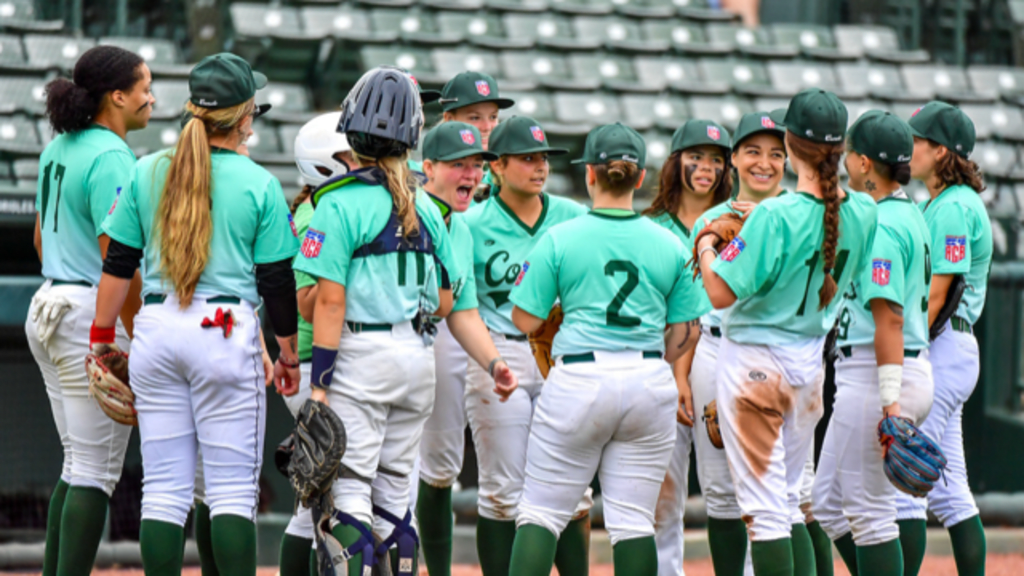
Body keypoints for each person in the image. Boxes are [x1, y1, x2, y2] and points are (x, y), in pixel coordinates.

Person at [94, 52, 300, 576]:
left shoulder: (147, 167)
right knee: (230, 492)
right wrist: (288, 353)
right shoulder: (258, 182)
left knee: (163, 492)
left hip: (157, 329)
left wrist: (100, 337)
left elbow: (118, 264)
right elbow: (276, 282)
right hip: (225, 330)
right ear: (245, 115)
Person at [505, 123, 708, 576]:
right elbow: (687, 333)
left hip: (579, 375)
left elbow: (524, 320)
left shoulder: (561, 237)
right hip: (648, 377)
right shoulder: (669, 242)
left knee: (540, 512)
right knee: (633, 522)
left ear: (589, 176)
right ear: (640, 179)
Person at [695, 88, 878, 576]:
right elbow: (826, 238)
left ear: (791, 147)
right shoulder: (863, 211)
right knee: (790, 500)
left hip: (754, 363)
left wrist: (707, 241)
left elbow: (717, 292)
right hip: (809, 366)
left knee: (767, 511)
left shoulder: (775, 215)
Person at [294, 66, 461, 576]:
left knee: (346, 503)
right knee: (394, 504)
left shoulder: (338, 202)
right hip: (416, 360)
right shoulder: (429, 208)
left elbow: (326, 303)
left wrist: (319, 385)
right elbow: (448, 300)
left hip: (360, 360)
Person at [25, 44, 152, 576]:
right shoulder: (111, 155)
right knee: (95, 472)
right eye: (143, 88)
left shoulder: (60, 145)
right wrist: (137, 332)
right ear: (116, 96)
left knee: (77, 464)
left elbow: (37, 239)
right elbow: (117, 259)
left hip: (47, 302)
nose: (151, 98)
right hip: (86, 311)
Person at [461, 115, 589, 576]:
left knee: (573, 488)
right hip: (501, 350)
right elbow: (462, 304)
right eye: (527, 158)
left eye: (544, 158)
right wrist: (488, 359)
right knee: (502, 489)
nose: (539, 167)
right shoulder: (472, 222)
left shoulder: (573, 215)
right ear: (496, 166)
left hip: (562, 355)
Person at [811, 109, 935, 576]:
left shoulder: (882, 221)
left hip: (879, 372)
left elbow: (890, 317)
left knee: (868, 512)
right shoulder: (910, 212)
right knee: (826, 504)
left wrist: (889, 399)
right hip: (889, 368)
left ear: (864, 163)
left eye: (850, 152)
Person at [415, 121, 519, 576]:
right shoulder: (407, 211)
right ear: (428, 167)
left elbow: (462, 310)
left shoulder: (457, 227)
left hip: (416, 352)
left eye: (477, 165)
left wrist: (493, 361)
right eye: (459, 165)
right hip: (374, 351)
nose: (472, 174)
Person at [895, 101, 991, 576]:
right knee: (952, 494)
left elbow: (941, 291)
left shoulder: (953, 205)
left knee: (904, 479)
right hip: (950, 345)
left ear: (939, 150)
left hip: (943, 344)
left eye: (916, 142)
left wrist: (908, 348)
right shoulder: (945, 202)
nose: (908, 150)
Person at [643, 118, 733, 576]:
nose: (706, 166)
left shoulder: (735, 221)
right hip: (662, 362)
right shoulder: (649, 226)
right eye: (696, 156)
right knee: (664, 489)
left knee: (734, 489)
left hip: (721, 359)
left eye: (717, 159)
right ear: (675, 161)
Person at [277, 111, 356, 576]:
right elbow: (309, 302)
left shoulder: (315, 206)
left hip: (312, 367)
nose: (360, 160)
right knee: (324, 509)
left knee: (311, 509)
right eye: (350, 154)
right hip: (314, 368)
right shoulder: (316, 213)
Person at [436, 70, 514, 200]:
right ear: (449, 119)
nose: (487, 127)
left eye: (493, 117)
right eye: (475, 118)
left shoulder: (506, 179)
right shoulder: (425, 178)